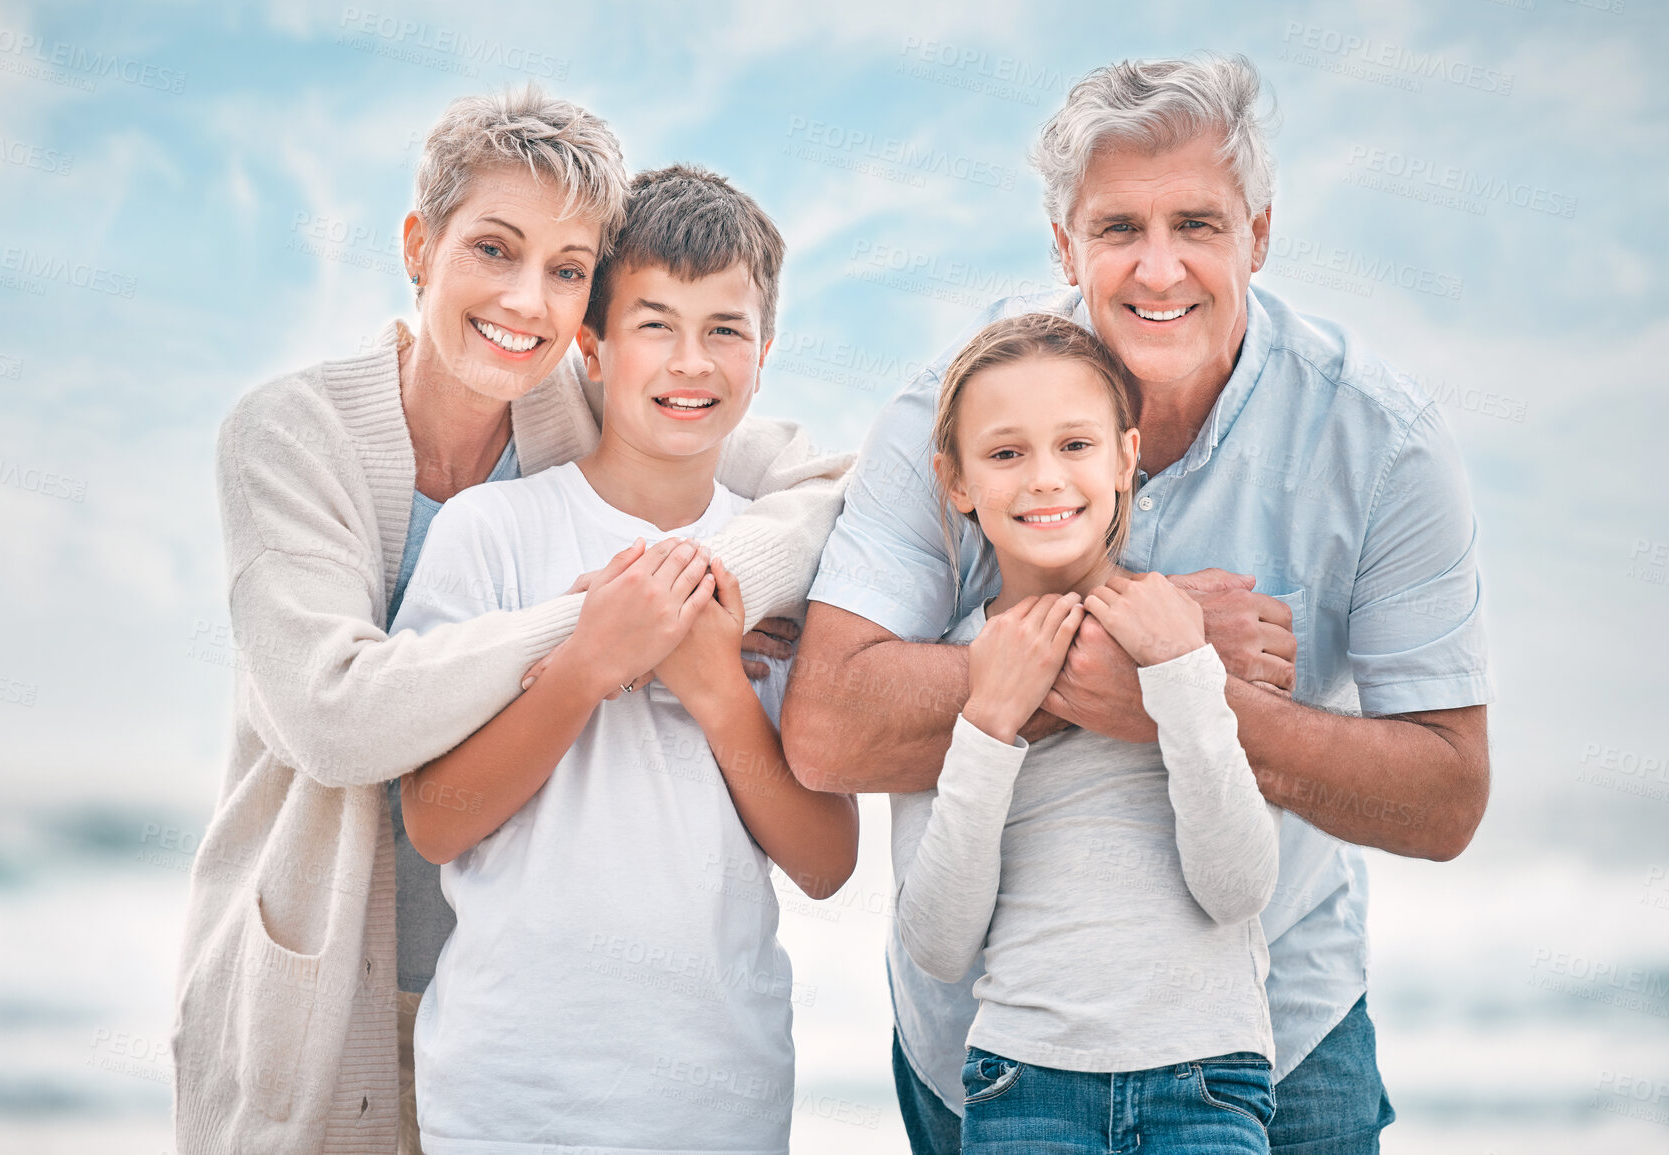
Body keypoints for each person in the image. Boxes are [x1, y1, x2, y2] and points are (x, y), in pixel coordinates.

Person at [783, 54, 1492, 1155]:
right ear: (1064, 245)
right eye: (1118, 229)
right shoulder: (951, 411)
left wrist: (1173, 690)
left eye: (1198, 224)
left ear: (1259, 232)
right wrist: (1149, 639)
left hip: (1275, 1038)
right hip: (993, 1051)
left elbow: (1446, 796)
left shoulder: (1379, 442)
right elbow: (827, 725)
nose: (1159, 269)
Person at [172, 89, 851, 1155]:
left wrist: (706, 586)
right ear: (418, 247)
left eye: (568, 268)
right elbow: (335, 717)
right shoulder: (293, 434)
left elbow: (818, 486)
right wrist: (595, 632)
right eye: (494, 249)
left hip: (549, 1017)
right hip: (332, 975)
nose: (527, 302)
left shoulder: (572, 406)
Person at [391, 163, 859, 1153]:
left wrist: (717, 694)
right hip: (509, 1097)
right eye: (655, 324)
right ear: (592, 349)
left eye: (724, 329)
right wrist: (584, 667)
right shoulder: (493, 533)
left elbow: (826, 863)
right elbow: (434, 824)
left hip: (719, 1099)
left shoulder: (778, 575)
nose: (690, 361)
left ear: (764, 354)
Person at [892, 313, 1282, 1152]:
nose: (1044, 478)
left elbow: (1238, 887)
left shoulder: (1181, 636)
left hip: (1208, 1079)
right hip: (1024, 1080)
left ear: (1124, 458)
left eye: (1075, 444)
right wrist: (988, 721)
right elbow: (937, 942)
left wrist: (1180, 675)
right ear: (954, 480)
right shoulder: (957, 670)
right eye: (1004, 453)